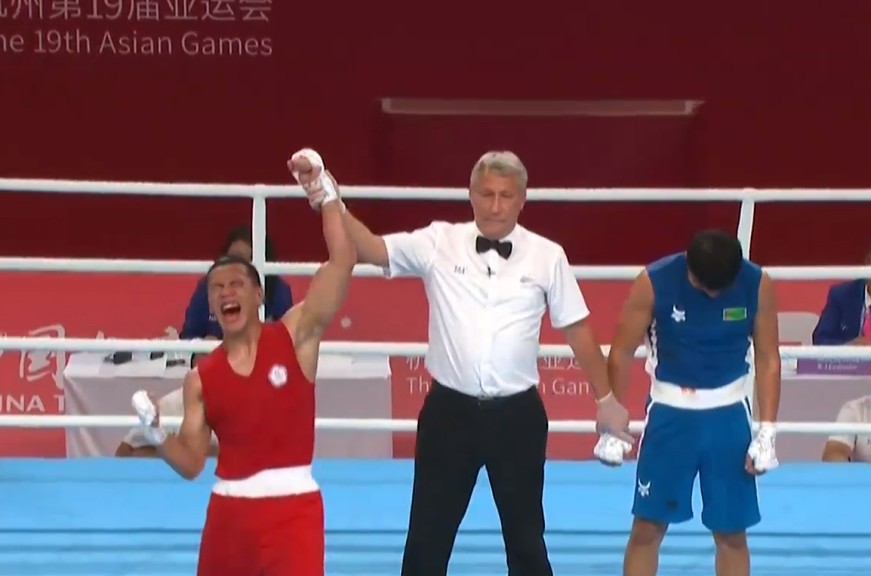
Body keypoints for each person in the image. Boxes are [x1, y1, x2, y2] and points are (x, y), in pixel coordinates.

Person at [337, 150, 631, 576]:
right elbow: (372, 248)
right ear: (470, 195)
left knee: (526, 539)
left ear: (522, 199)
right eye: (487, 194)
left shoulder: (547, 255)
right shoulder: (439, 241)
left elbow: (578, 330)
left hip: (518, 417)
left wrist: (606, 399)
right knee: (427, 538)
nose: (495, 206)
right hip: (448, 414)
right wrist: (327, 196)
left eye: (505, 196)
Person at [130, 148, 356, 576]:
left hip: (294, 512)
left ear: (258, 295)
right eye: (217, 287)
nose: (226, 292)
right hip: (228, 517)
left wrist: (322, 192)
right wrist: (157, 434)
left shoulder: (295, 337)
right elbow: (191, 464)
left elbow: (341, 263)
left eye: (236, 283)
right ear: (211, 305)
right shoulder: (201, 379)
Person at [606, 229, 781, 576]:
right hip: (670, 416)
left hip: (729, 418)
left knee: (732, 533)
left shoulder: (757, 283)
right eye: (705, 287)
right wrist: (613, 416)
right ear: (688, 266)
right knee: (647, 528)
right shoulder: (654, 282)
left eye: (721, 289)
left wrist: (767, 431)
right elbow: (621, 351)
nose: (713, 295)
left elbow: (768, 357)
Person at [180, 225, 294, 340]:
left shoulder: (279, 290)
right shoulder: (207, 287)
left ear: (259, 295)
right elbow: (188, 336)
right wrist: (203, 344)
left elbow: (288, 338)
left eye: (244, 260)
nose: (225, 292)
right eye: (232, 257)